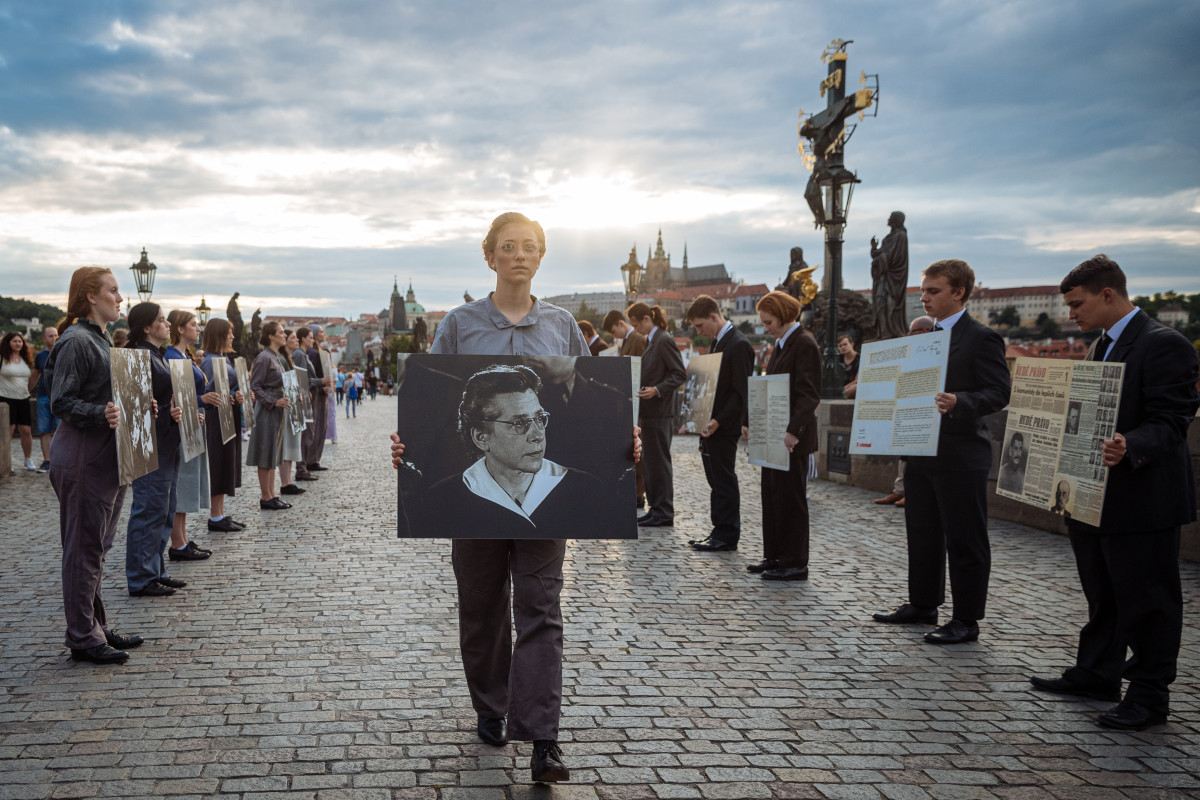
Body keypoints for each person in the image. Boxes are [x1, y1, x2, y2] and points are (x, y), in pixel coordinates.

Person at [389, 212, 640, 784]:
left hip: (546, 495)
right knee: (481, 608)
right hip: (474, 493)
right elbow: (427, 404)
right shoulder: (459, 324)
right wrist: (407, 446)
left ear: (541, 256)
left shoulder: (563, 326)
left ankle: (544, 739)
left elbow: (589, 407)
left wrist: (625, 440)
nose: (519, 255)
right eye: (508, 246)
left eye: (529, 246)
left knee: (541, 608)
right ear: (490, 256)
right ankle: (491, 704)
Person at [1031, 255, 1199, 731]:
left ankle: (1149, 696)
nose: (1069, 315)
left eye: (1076, 304)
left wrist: (1131, 444)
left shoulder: (1163, 343)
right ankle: (1097, 674)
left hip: (1141, 496)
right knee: (1102, 592)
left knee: (1148, 600)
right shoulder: (1101, 345)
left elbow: (1173, 418)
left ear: (1108, 294)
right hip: (1092, 494)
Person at [872, 259, 1011, 645]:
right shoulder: (922, 339)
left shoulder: (981, 337)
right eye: (923, 290)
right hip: (919, 450)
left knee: (965, 539)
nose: (924, 298)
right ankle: (923, 604)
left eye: (933, 291)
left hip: (960, 453)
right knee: (922, 533)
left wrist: (960, 401)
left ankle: (966, 619)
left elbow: (999, 392)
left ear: (959, 292)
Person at [43, 267, 143, 663]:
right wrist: (102, 413)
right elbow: (61, 402)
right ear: (90, 296)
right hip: (84, 454)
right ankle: (83, 635)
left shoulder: (98, 339)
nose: (120, 298)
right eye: (113, 290)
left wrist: (139, 406)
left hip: (106, 453)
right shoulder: (76, 340)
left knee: (97, 547)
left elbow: (108, 395)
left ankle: (94, 625)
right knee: (84, 548)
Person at [422, 365, 608, 535]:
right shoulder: (442, 501)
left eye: (539, 418)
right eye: (519, 423)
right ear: (481, 438)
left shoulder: (588, 491)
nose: (537, 435)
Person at [744, 291, 821, 580]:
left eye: (769, 322)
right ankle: (775, 556)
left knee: (791, 500)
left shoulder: (804, 343)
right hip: (773, 434)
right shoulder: (781, 344)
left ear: (784, 315)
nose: (766, 327)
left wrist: (793, 431)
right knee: (773, 497)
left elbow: (809, 394)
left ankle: (795, 562)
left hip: (791, 439)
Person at [121, 303, 187, 599]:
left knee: (164, 509)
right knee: (149, 509)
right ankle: (141, 577)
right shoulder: (138, 356)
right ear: (147, 327)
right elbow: (135, 410)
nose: (168, 323)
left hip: (167, 441)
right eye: (162, 320)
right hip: (150, 446)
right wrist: (166, 414)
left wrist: (181, 413)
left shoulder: (157, 355)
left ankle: (156, 569)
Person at [684, 295, 754, 552]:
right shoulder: (719, 342)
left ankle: (727, 534)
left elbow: (740, 393)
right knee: (716, 480)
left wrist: (718, 420)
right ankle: (719, 530)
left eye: (700, 325)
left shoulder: (739, 344)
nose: (698, 332)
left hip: (723, 427)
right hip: (711, 425)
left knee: (724, 480)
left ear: (714, 316)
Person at [627, 302, 685, 528]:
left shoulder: (663, 339)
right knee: (651, 464)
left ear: (646, 319)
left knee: (659, 464)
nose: (636, 329)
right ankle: (656, 509)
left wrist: (657, 389)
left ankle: (664, 511)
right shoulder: (654, 340)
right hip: (650, 412)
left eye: (636, 325)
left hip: (660, 412)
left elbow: (679, 373)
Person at [165, 310, 216, 562]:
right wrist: (201, 399)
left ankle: (182, 538)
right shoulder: (171, 356)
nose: (198, 328)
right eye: (193, 324)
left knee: (187, 481)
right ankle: (177, 543)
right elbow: (174, 395)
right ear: (180, 328)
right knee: (182, 481)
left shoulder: (184, 355)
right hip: (181, 424)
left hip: (193, 421)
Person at [874, 315, 936, 506]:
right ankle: (899, 490)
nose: (908, 335)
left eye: (912, 331)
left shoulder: (935, 352)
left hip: (926, 412)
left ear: (925, 331)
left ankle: (912, 492)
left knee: (918, 455)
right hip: (906, 407)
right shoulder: (912, 352)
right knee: (904, 454)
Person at [201, 319, 249, 530]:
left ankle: (219, 513)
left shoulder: (223, 358)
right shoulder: (210, 361)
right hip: (216, 419)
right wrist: (230, 395)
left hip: (227, 416)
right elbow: (210, 391)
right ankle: (215, 516)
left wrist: (236, 395)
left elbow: (226, 389)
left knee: (226, 463)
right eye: (229, 333)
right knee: (218, 463)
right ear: (219, 335)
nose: (232, 336)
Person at [601, 309, 648, 509]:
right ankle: (635, 491)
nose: (614, 336)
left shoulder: (637, 339)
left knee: (637, 451)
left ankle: (639, 493)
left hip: (636, 399)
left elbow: (640, 368)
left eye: (614, 331)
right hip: (628, 399)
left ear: (621, 323)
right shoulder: (628, 341)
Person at [245, 321, 293, 510]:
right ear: (271, 336)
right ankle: (266, 496)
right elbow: (255, 386)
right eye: (281, 332)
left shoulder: (275, 356)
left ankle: (272, 494)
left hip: (276, 410)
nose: (284, 335)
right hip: (267, 410)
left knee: (273, 452)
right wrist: (273, 401)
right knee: (266, 452)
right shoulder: (264, 357)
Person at [1, 331, 37, 471]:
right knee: (8, 432)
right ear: (8, 343)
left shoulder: (25, 358)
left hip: (23, 398)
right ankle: (6, 460)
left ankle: (28, 459)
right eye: (15, 341)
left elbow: (31, 378)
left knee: (26, 431)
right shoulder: (2, 358)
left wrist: (28, 390)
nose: (18, 344)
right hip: (5, 398)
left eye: (20, 341)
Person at [289, 328, 318, 483]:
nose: (313, 340)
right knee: (306, 435)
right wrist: (321, 381)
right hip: (303, 400)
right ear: (303, 338)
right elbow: (302, 380)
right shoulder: (299, 355)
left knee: (308, 435)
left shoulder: (303, 354)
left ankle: (303, 468)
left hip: (306, 396)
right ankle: (301, 469)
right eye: (310, 337)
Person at [30, 325, 60, 472]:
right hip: (43, 396)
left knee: (61, 430)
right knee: (44, 430)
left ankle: (59, 461)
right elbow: (35, 375)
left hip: (61, 396)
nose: (54, 338)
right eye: (50, 336)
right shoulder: (40, 356)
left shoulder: (63, 352)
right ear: (44, 339)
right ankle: (47, 461)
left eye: (55, 335)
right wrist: (27, 391)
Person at [304, 326, 332, 472]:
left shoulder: (318, 352)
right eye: (321, 332)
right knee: (318, 426)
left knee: (320, 426)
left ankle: (313, 459)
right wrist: (322, 385)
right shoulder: (313, 353)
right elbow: (313, 376)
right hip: (317, 394)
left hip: (320, 392)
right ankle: (312, 460)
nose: (324, 334)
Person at [837, 334, 860, 399]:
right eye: (840, 346)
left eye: (845, 344)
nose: (842, 347)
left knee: (855, 387)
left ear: (852, 344)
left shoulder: (860, 358)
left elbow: (857, 381)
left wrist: (843, 389)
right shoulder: (838, 359)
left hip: (850, 387)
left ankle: (839, 396)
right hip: (839, 389)